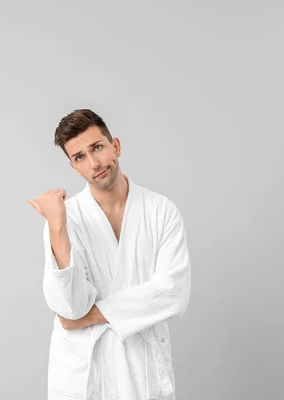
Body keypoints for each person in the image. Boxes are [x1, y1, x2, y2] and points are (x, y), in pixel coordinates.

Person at [27, 109, 192, 400]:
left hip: (142, 372)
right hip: (84, 374)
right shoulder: (65, 219)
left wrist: (93, 316)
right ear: (73, 166)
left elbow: (174, 293)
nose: (94, 163)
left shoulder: (161, 211)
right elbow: (70, 308)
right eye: (80, 157)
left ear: (115, 146)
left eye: (98, 148)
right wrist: (57, 227)